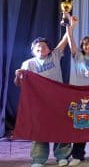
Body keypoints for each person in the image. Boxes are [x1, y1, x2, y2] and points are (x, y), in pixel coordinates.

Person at [14, 18, 72, 167]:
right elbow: (19, 84)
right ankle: (39, 159)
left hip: (58, 98)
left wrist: (69, 24)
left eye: (44, 47)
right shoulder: (28, 64)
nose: (41, 50)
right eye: (38, 48)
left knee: (61, 126)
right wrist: (18, 76)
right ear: (33, 50)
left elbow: (65, 39)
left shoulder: (55, 55)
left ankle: (62, 156)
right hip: (39, 102)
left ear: (49, 49)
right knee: (40, 128)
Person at [65, 16, 89, 166]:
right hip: (77, 93)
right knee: (80, 124)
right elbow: (71, 42)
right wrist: (71, 27)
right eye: (86, 44)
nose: (88, 46)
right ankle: (77, 155)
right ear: (82, 46)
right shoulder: (78, 55)